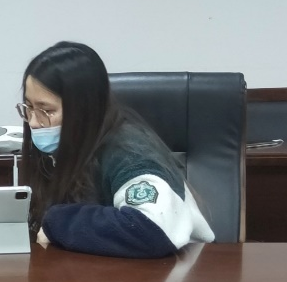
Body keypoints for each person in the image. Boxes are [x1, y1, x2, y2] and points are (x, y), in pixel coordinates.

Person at [18, 41, 214, 258]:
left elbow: (150, 228)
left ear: (83, 110)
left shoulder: (130, 152)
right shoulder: (59, 149)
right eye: (29, 107)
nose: (33, 122)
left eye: (46, 110)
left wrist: (58, 221)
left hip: (183, 271)